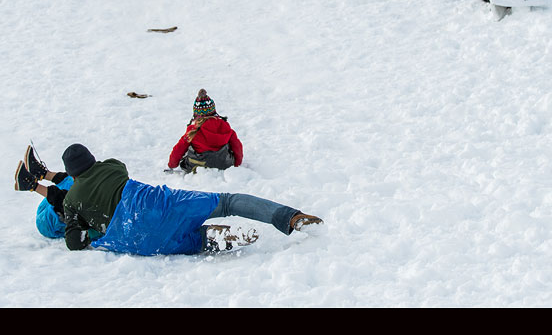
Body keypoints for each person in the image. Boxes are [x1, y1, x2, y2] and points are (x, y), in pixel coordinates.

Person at [15, 143, 323, 256]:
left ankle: (223, 238)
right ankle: (290, 217)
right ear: (92, 160)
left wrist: (81, 229)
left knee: (192, 241)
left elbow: (74, 241)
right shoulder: (110, 165)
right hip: (156, 204)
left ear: (72, 174)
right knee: (226, 201)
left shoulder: (71, 203)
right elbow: (103, 175)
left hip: (137, 239)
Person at [14, 145, 102, 240]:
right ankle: (42, 173)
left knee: (75, 198)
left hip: (49, 222)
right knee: (75, 182)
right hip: (48, 209)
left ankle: (31, 185)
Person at [168, 89, 243, 172]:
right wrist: (237, 163)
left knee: (188, 148)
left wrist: (172, 165)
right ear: (213, 110)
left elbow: (179, 148)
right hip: (223, 164)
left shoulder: (193, 129)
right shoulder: (224, 126)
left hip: (197, 165)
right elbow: (237, 146)